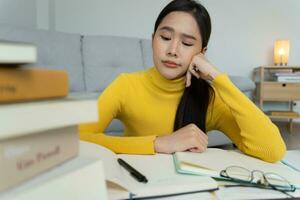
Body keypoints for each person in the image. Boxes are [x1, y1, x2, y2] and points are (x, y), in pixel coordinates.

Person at [79, 0, 286, 162]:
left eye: (186, 43)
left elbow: (273, 150)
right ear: (153, 39)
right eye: (165, 38)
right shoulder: (125, 85)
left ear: (202, 52)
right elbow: (77, 138)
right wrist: (158, 144)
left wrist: (217, 78)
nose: (172, 50)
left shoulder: (209, 98)